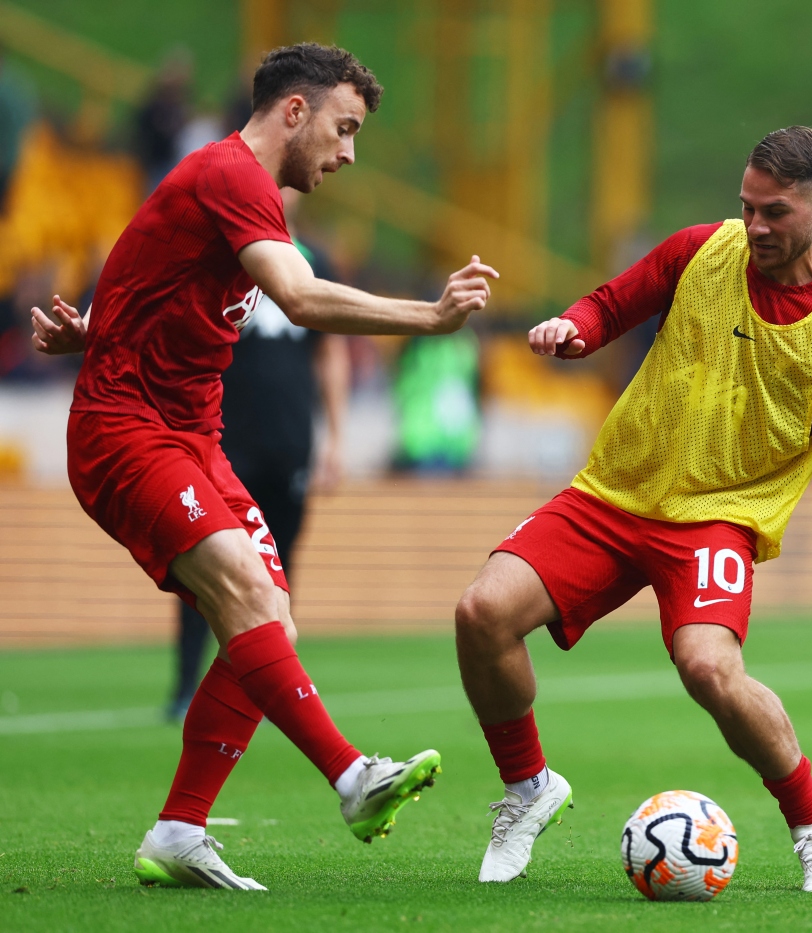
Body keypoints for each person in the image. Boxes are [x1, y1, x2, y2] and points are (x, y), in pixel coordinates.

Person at [30, 43, 498, 891]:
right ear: (294, 111)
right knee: (248, 593)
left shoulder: (237, 193)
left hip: (193, 438)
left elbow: (152, 272)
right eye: (344, 128)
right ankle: (354, 776)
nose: (350, 153)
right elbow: (301, 297)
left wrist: (89, 329)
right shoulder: (231, 175)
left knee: (269, 618)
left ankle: (179, 829)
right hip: (126, 432)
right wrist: (429, 317)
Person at [454, 126, 812, 892]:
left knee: (710, 670)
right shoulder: (699, 250)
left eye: (774, 213)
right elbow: (613, 304)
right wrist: (572, 330)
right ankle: (527, 790)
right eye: (747, 206)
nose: (754, 226)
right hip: (613, 492)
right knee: (482, 611)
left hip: (717, 516)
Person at [168, 187, 349, 722]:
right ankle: (184, 687)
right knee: (207, 572)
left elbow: (331, 350)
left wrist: (335, 438)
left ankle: (260, 695)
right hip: (223, 439)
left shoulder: (315, 259)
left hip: (291, 440)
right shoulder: (221, 252)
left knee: (278, 573)